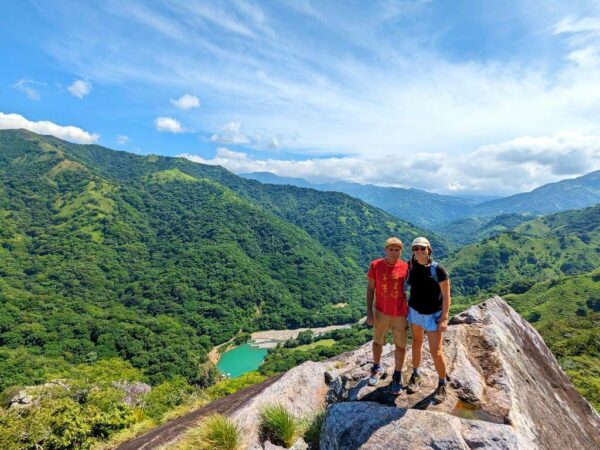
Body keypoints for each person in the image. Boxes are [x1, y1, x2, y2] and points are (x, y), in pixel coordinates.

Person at [405, 236, 451, 403]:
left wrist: (444, 318)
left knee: (436, 351)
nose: (419, 251)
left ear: (428, 249)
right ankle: (416, 374)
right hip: (415, 312)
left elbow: (446, 296)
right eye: (416, 248)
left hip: (433, 315)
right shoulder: (411, 266)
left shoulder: (438, 270)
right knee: (417, 343)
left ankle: (442, 382)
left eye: (422, 248)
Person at [366, 236, 409, 395]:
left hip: (400, 313)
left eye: (396, 249)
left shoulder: (405, 267)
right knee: (378, 341)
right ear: (386, 250)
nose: (393, 252)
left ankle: (397, 375)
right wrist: (369, 311)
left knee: (401, 345)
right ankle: (377, 367)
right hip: (381, 311)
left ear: (400, 251)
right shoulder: (376, 265)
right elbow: (371, 289)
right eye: (391, 249)